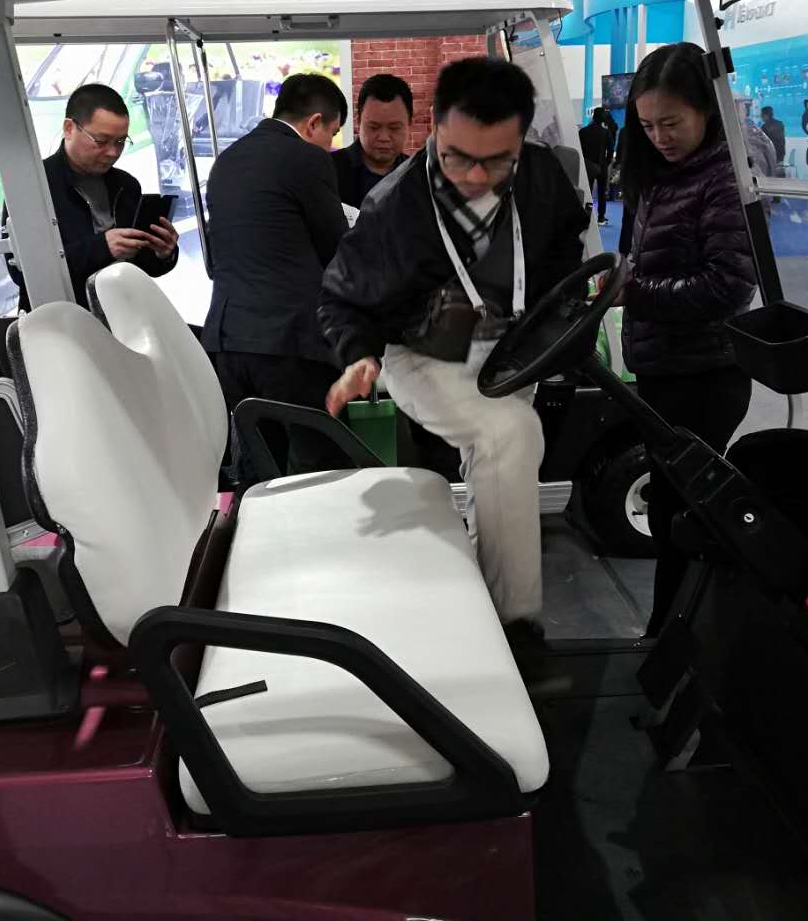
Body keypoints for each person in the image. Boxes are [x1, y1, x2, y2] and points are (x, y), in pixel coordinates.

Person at [318, 57, 588, 637]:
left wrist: (564, 312)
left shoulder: (541, 175)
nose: (475, 177)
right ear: (434, 130)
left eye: (498, 161)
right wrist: (358, 355)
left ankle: (482, 594)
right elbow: (340, 298)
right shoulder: (394, 207)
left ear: (521, 142)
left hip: (511, 348)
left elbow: (565, 245)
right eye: (457, 157)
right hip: (421, 353)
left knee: (502, 460)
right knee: (510, 434)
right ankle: (515, 624)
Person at [619, 43, 757, 636]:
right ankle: (667, 633)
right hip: (662, 371)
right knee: (670, 511)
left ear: (706, 109)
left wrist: (634, 292)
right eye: (648, 125)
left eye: (671, 123)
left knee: (684, 517)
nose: (659, 137)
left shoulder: (724, 178)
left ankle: (677, 637)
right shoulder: (661, 175)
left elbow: (729, 285)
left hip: (704, 376)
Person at [202, 73, 351, 478]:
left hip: (229, 342)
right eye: (332, 133)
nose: (330, 144)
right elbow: (338, 250)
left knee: (259, 471)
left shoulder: (228, 161)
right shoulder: (307, 159)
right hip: (291, 344)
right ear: (315, 122)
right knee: (324, 468)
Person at [9, 83, 178, 305]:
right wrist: (102, 248)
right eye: (101, 141)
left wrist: (163, 253)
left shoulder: (127, 186)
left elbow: (143, 267)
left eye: (120, 142)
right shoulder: (32, 186)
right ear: (69, 128)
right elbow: (23, 273)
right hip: (60, 315)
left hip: (123, 311)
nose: (112, 152)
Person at [333, 73, 413, 212]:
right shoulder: (330, 170)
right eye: (374, 127)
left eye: (394, 128)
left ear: (409, 123)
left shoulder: (419, 175)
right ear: (358, 121)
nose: (384, 137)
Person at [578, 107, 615, 223]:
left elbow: (579, 149)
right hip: (601, 166)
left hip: (588, 166)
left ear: (593, 117)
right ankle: (601, 217)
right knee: (601, 192)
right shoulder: (606, 132)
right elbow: (610, 150)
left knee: (587, 192)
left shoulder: (583, 131)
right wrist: (606, 162)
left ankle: (585, 215)